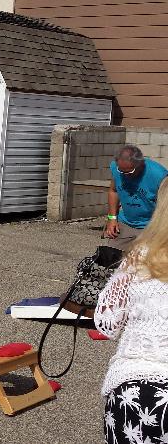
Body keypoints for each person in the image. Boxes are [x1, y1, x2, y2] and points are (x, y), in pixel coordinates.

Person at [95, 180, 168, 443]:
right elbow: (113, 191)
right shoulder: (120, 172)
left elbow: (108, 323)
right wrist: (113, 217)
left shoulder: (142, 254)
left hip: (134, 392)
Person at [104, 145, 168, 251]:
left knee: (145, 262)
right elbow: (113, 191)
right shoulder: (116, 167)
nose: (125, 176)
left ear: (140, 165)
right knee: (111, 257)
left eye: (129, 172)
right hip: (126, 223)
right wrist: (112, 219)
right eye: (121, 171)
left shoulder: (159, 175)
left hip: (150, 226)